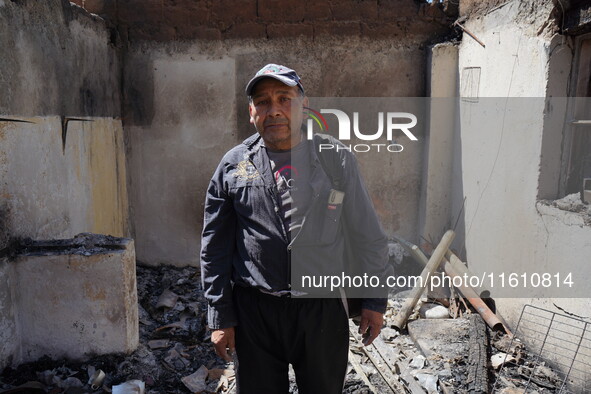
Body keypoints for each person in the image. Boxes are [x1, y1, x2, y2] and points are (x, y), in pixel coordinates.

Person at [200, 64, 390, 393]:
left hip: (322, 309)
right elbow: (214, 247)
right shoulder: (234, 165)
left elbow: (367, 234)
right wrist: (220, 315)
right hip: (256, 313)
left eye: (284, 98)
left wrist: (374, 301)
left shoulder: (335, 159)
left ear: (303, 105)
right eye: (263, 102)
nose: (273, 110)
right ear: (251, 112)